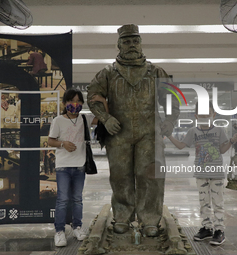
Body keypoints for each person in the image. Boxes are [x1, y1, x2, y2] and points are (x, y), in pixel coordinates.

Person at [87, 24, 180, 237]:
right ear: (119, 45)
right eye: (127, 41)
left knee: (151, 177)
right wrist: (105, 118)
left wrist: (170, 121)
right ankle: (122, 216)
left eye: (135, 41)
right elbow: (93, 97)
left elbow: (174, 99)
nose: (132, 45)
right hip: (118, 133)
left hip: (150, 133)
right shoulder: (107, 73)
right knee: (120, 176)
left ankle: (150, 219)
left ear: (141, 43)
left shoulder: (156, 71)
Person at [167, 101, 237, 245]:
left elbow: (221, 150)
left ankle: (219, 230)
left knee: (217, 202)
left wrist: (231, 141)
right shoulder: (193, 131)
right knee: (204, 202)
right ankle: (207, 228)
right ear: (196, 116)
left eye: (208, 114)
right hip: (201, 173)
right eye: (202, 115)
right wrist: (169, 136)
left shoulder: (219, 131)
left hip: (217, 173)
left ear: (214, 115)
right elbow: (181, 146)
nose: (205, 117)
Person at [48, 88, 107, 247]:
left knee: (77, 199)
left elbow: (105, 118)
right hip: (63, 167)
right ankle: (59, 231)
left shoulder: (85, 118)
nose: (75, 104)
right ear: (65, 103)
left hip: (80, 166)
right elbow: (50, 140)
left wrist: (103, 102)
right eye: (71, 101)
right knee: (62, 199)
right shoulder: (58, 120)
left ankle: (77, 227)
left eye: (78, 101)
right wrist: (63, 144)